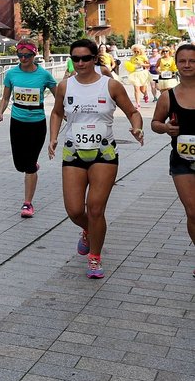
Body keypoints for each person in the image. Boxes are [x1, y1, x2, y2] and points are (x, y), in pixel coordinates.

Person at [48, 39, 144, 279]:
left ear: (94, 59)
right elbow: (57, 112)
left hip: (104, 153)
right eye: (75, 58)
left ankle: (95, 256)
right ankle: (88, 231)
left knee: (96, 209)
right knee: (73, 210)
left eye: (85, 58)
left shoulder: (110, 85)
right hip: (74, 151)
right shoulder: (65, 86)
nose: (80, 63)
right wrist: (52, 138)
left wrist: (137, 127)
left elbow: (132, 112)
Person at [0, 39, 57, 218]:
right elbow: (5, 98)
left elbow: (58, 95)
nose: (23, 59)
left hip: (36, 123)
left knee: (28, 166)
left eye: (27, 55)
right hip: (17, 122)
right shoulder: (12, 74)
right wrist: (0, 113)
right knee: (19, 165)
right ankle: (31, 165)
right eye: (20, 55)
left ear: (34, 54)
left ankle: (27, 203)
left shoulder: (44, 75)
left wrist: (62, 113)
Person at [152, 43, 195, 277]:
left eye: (192, 61)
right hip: (182, 161)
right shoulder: (168, 96)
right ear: (176, 64)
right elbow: (155, 123)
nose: (187, 65)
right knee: (193, 212)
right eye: (183, 61)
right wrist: (166, 128)